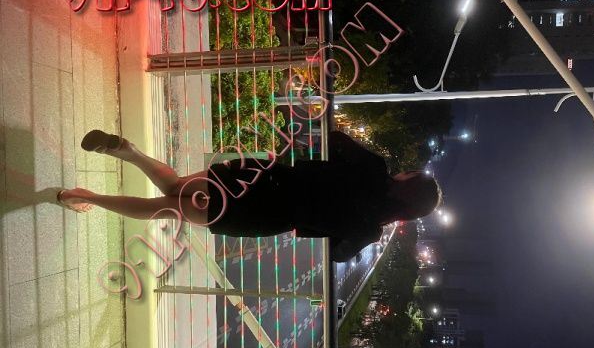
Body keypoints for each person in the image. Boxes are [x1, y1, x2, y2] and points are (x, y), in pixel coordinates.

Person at [57, 129, 442, 262]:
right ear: (409, 212)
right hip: (266, 215)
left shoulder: (373, 168)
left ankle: (129, 151)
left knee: (177, 189)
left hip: (268, 176)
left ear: (408, 180)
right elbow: (338, 254)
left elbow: (336, 139)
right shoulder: (370, 229)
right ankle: (85, 196)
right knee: (167, 209)